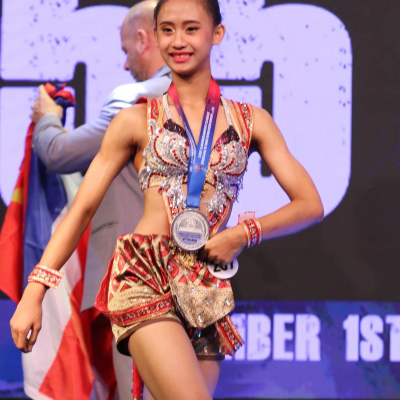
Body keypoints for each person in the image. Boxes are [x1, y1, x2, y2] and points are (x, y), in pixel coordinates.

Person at [11, 0, 324, 399]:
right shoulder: (133, 119)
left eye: (191, 28)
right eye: (167, 30)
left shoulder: (252, 121)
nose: (178, 40)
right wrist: (36, 290)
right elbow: (83, 209)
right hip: (144, 274)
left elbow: (309, 204)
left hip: (206, 285)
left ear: (217, 33)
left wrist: (242, 234)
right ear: (156, 37)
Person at [29, 2, 170, 399]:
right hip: (192, 277)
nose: (125, 64)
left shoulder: (136, 98)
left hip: (135, 276)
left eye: (126, 51)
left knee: (138, 390)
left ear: (142, 39)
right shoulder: (205, 103)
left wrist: (47, 117)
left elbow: (59, 153)